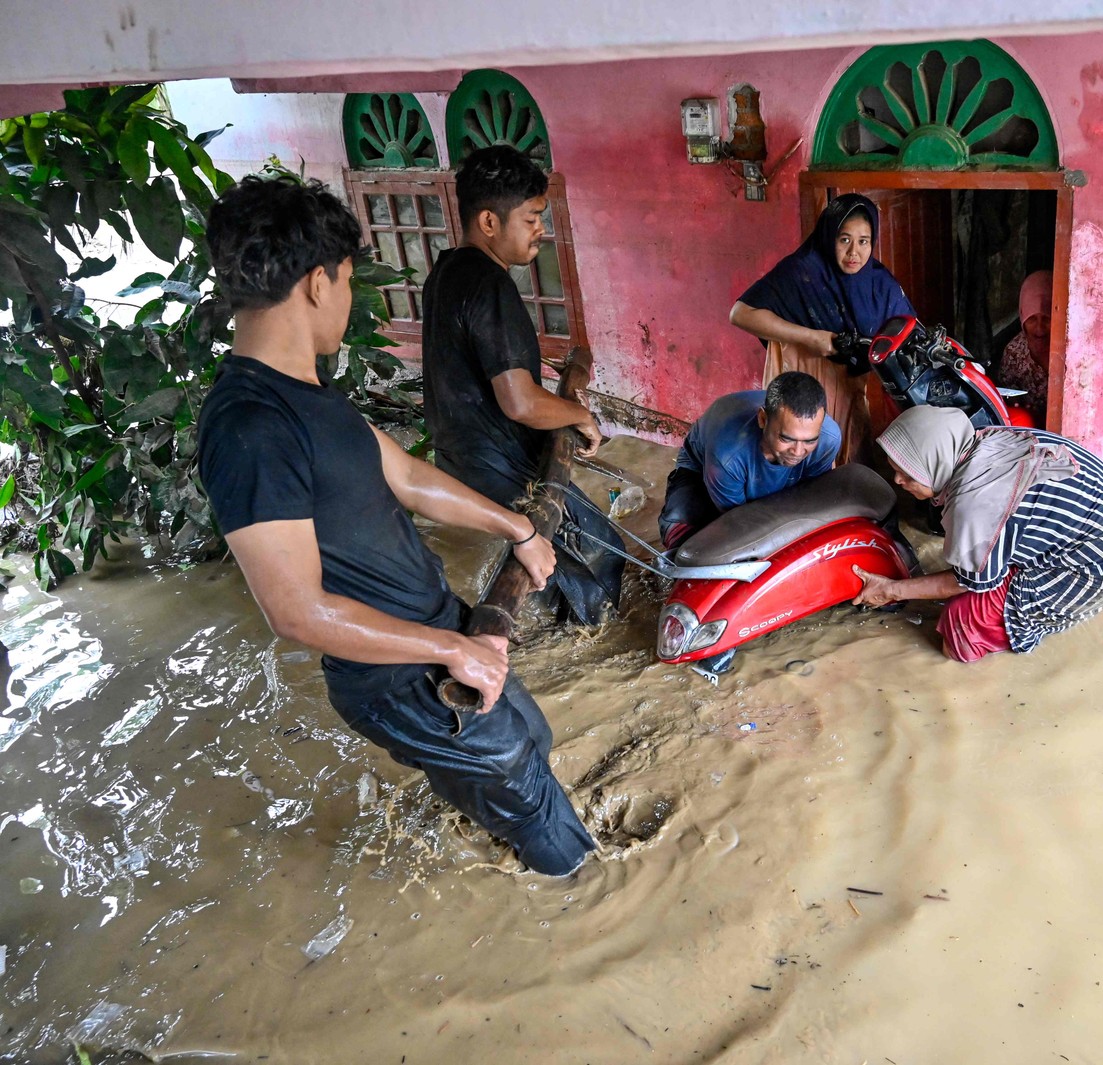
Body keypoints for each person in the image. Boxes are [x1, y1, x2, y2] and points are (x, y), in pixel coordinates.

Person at [197, 175, 595, 876]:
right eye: (348, 281)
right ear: (319, 282)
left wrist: (519, 529)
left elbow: (408, 478)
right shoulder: (250, 426)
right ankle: (583, 900)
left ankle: (490, 836)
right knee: (542, 812)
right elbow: (295, 610)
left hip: (435, 630)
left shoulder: (309, 393)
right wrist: (450, 650)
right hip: (398, 677)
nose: (346, 301)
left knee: (530, 733)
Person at [422, 144, 622, 625]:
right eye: (532, 218)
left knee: (549, 570)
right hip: (502, 464)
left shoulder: (446, 270)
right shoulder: (490, 284)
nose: (541, 230)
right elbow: (519, 402)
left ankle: (556, 636)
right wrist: (580, 417)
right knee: (600, 553)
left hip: (463, 461)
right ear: (490, 222)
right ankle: (591, 646)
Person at [852, 406, 1103, 663]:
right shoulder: (980, 439)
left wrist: (891, 589)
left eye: (909, 473)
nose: (898, 480)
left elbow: (966, 582)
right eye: (895, 469)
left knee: (960, 627)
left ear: (937, 462)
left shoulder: (975, 502)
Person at [730, 193, 915, 463]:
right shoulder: (801, 272)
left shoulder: (880, 284)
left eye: (863, 241)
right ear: (829, 238)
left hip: (850, 390)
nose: (855, 252)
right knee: (795, 455)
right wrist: (811, 337)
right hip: (799, 385)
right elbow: (740, 314)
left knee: (847, 462)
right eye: (844, 240)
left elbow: (907, 331)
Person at [658, 371, 840, 550]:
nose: (798, 452)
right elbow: (738, 524)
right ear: (763, 419)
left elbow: (811, 497)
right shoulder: (727, 457)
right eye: (786, 439)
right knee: (685, 542)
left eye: (809, 441)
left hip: (766, 478)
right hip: (702, 470)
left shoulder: (828, 440)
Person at [996, 271, 1052, 424]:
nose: (1039, 328)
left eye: (1047, 318)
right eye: (1032, 319)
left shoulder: (1073, 351)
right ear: (1022, 316)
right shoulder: (1014, 353)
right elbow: (1005, 404)